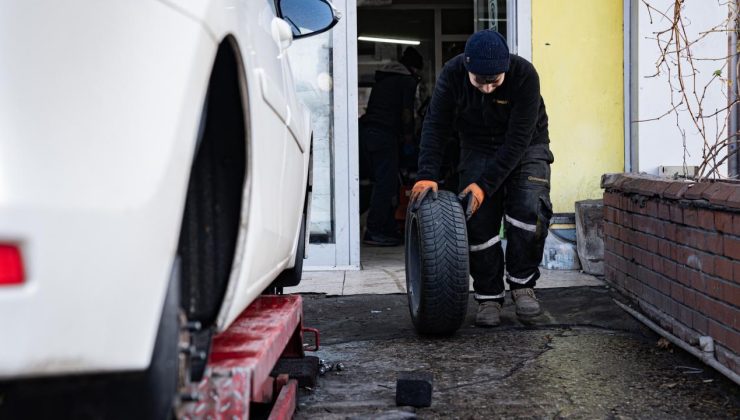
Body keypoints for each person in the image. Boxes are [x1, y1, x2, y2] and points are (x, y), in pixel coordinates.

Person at [409, 30, 553, 327]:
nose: (487, 89)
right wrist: (427, 174)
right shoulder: (452, 74)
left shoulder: (524, 75)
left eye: (494, 82)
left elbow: (517, 142)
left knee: (528, 209)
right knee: (476, 218)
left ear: (506, 69)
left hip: (527, 146)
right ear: (468, 69)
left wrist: (485, 185)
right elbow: (436, 125)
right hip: (476, 144)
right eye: (480, 81)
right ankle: (489, 297)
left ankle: (523, 285)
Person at [360, 47, 423, 246]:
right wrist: (409, 138)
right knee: (385, 184)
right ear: (413, 68)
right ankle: (375, 230)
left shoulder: (385, 78)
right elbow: (406, 112)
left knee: (385, 182)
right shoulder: (406, 80)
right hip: (384, 135)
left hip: (369, 134)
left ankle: (385, 228)